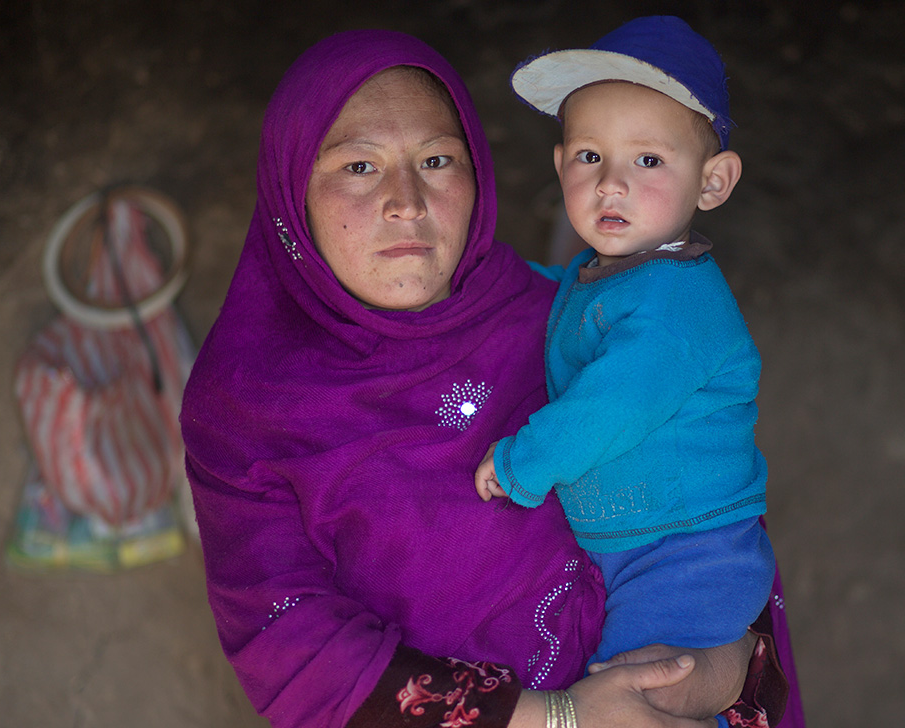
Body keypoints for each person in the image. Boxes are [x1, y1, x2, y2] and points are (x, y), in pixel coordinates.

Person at [181, 27, 801, 728]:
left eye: (437, 160)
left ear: (477, 173)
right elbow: (288, 644)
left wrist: (716, 671)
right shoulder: (245, 408)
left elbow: (706, 514)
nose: (406, 202)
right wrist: (560, 718)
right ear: (290, 189)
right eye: (358, 167)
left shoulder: (564, 318)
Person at [473, 17, 780, 722]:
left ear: (712, 182)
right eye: (589, 156)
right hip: (636, 541)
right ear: (560, 167)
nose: (611, 183)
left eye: (647, 161)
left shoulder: (677, 308)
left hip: (683, 556)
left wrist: (522, 465)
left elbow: (610, 403)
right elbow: (566, 305)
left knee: (637, 695)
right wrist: (498, 285)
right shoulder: (609, 270)